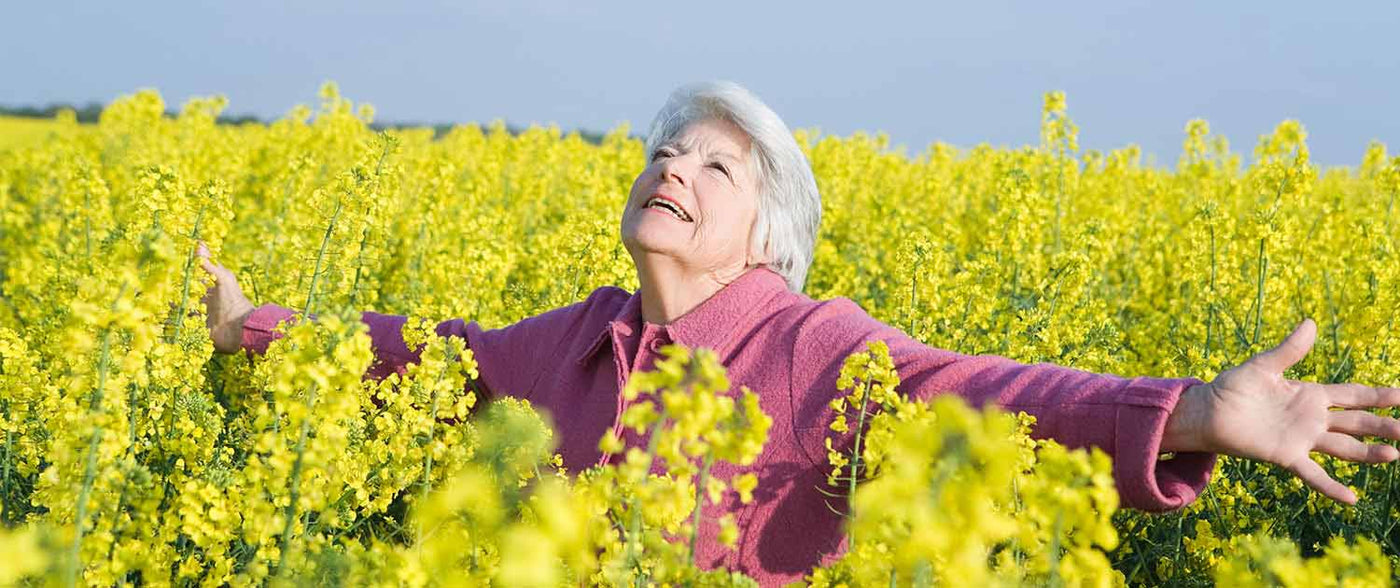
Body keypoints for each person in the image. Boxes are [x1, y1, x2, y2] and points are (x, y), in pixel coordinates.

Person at [197, 81, 1400, 585]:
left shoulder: (807, 346)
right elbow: (415, 355)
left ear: (768, 237)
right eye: (666, 150)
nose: (673, 166)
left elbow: (990, 398)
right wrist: (250, 327)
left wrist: (1192, 412)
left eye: (715, 163)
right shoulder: (570, 344)